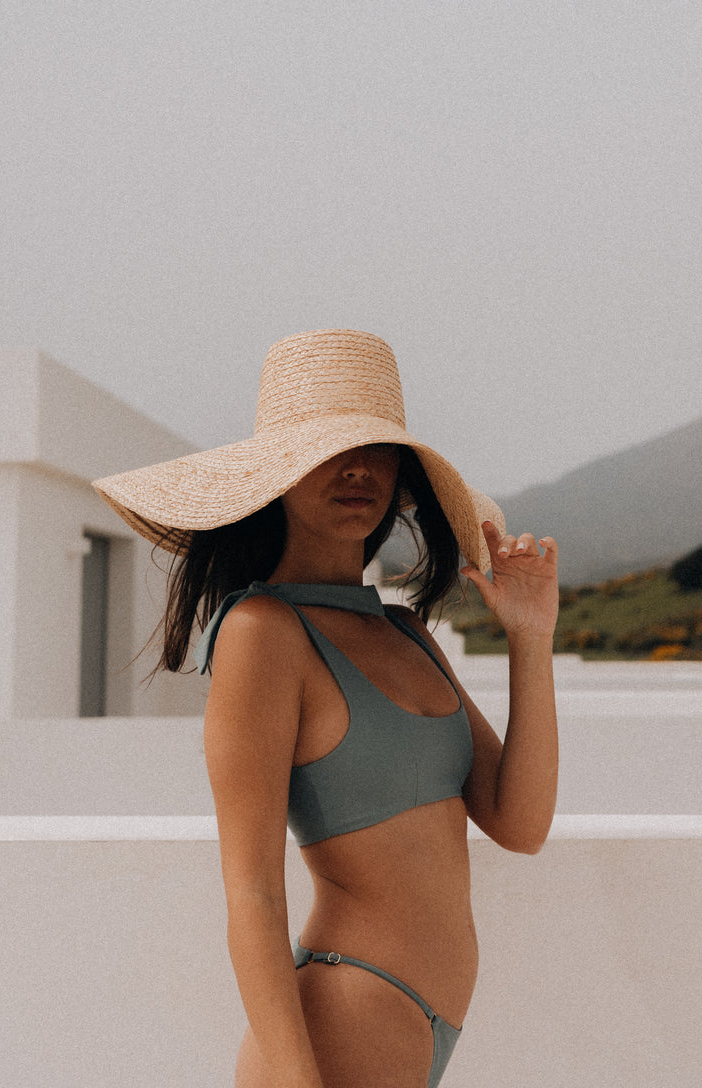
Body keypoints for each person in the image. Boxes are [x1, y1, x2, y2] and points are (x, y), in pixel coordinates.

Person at [94, 328, 559, 1088]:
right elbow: (250, 888)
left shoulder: (405, 630)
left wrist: (530, 640)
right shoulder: (263, 635)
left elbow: (521, 823)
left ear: (404, 474)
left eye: (377, 449)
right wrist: (295, 1076)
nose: (356, 469)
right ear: (277, 474)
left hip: (422, 1021)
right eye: (326, 449)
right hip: (346, 1016)